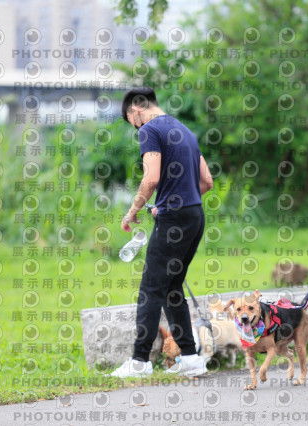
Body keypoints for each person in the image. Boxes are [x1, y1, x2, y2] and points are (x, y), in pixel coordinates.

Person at [110, 87, 214, 378]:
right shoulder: (185, 131)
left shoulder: (151, 130)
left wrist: (132, 211)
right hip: (195, 217)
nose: (138, 129)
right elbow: (206, 181)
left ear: (136, 110)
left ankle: (140, 361)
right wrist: (171, 204)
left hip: (174, 222)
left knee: (151, 289)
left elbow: (151, 177)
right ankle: (191, 358)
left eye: (135, 123)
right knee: (171, 289)